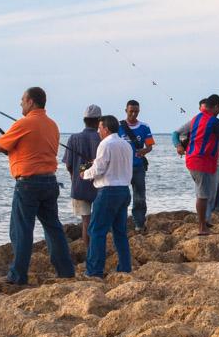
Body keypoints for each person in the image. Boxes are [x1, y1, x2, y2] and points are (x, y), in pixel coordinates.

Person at [0, 87, 75, 284]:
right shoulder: (52, 125)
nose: (20, 103)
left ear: (31, 102)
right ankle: (66, 271)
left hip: (28, 184)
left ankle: (18, 276)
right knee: (53, 228)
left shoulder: (24, 123)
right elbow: (32, 148)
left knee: (21, 230)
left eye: (23, 100)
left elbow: (0, 144)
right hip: (50, 182)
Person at [81, 115, 133, 277]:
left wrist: (85, 174)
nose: (98, 131)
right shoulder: (126, 145)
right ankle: (125, 267)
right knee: (120, 232)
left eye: (99, 128)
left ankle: (94, 271)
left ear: (106, 129)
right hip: (124, 190)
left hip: (108, 192)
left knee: (96, 231)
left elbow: (99, 170)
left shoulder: (105, 144)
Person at [173, 94, 219, 235]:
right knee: (203, 194)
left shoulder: (197, 118)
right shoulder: (213, 121)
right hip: (202, 161)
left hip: (194, 159)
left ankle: (204, 221)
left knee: (206, 192)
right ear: (216, 106)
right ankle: (202, 226)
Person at [63, 104, 102, 250]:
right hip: (100, 186)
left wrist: (75, 177)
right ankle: (99, 253)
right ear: (99, 121)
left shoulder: (74, 138)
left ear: (84, 119)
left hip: (80, 186)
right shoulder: (102, 138)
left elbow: (68, 165)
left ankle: (89, 255)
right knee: (99, 222)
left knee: (86, 222)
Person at [118, 100, 154, 233]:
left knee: (139, 197)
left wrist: (144, 151)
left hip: (138, 167)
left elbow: (149, 146)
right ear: (126, 110)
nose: (133, 114)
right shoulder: (118, 126)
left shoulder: (144, 127)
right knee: (121, 196)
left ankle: (139, 224)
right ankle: (119, 224)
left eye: (136, 111)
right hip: (121, 168)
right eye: (131, 111)